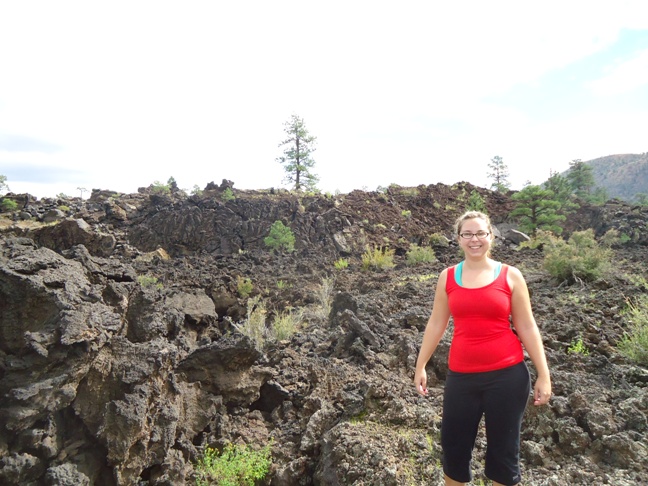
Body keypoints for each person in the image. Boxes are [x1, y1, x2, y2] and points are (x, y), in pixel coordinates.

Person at [414, 210, 551, 486]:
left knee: (503, 453)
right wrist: (421, 365)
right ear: (458, 239)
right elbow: (436, 323)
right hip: (461, 377)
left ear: (491, 236)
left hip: (508, 376)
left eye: (480, 233)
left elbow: (527, 327)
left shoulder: (511, 276)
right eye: (467, 234)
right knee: (454, 450)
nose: (474, 239)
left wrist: (543, 374)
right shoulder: (448, 277)